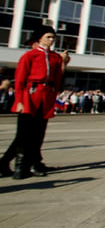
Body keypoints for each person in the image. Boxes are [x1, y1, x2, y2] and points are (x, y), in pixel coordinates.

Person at [0, 25, 70, 179]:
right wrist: (19, 101)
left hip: (45, 98)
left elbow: (57, 80)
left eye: (53, 37)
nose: (51, 40)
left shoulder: (54, 57)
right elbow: (19, 81)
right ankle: (22, 165)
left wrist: (63, 64)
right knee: (23, 135)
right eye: (48, 37)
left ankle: (22, 163)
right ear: (39, 38)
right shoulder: (29, 56)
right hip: (29, 97)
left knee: (38, 134)